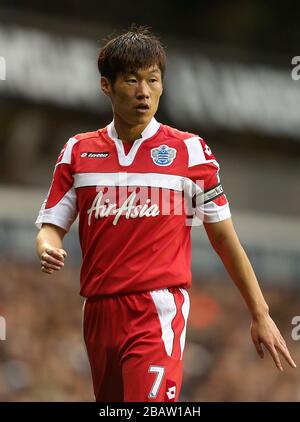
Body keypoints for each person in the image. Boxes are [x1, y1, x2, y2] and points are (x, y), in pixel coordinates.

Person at [35, 26, 296, 402]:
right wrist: (47, 246)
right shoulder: (78, 151)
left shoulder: (190, 152)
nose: (144, 91)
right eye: (132, 80)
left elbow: (224, 238)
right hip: (98, 310)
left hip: (156, 307)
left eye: (153, 80)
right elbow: (51, 226)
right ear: (106, 86)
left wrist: (260, 313)